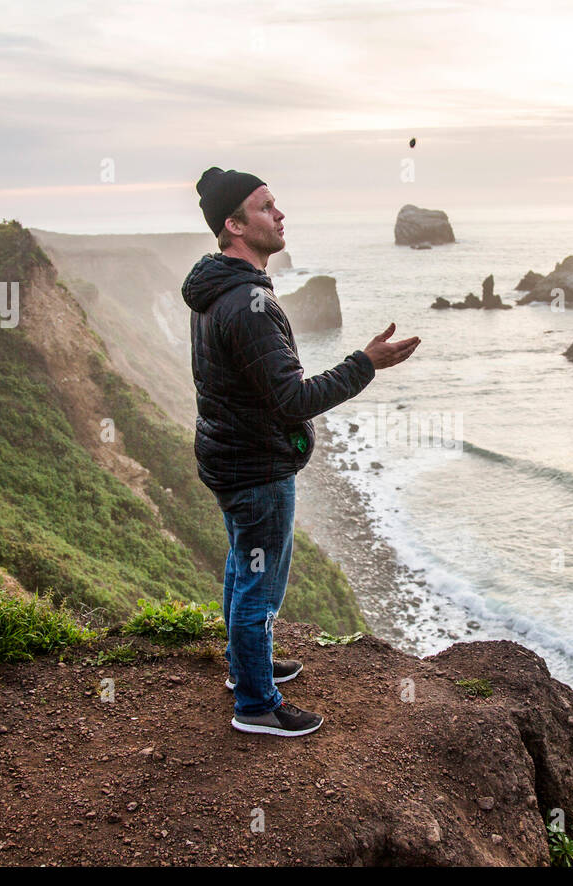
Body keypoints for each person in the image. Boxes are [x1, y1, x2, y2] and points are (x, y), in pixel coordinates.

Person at [182, 166, 420, 737]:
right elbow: (292, 400)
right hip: (255, 467)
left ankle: (246, 668)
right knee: (259, 585)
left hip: (227, 455)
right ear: (235, 225)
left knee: (242, 565)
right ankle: (256, 705)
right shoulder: (249, 303)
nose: (280, 213)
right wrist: (365, 363)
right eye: (266, 207)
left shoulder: (217, 291)